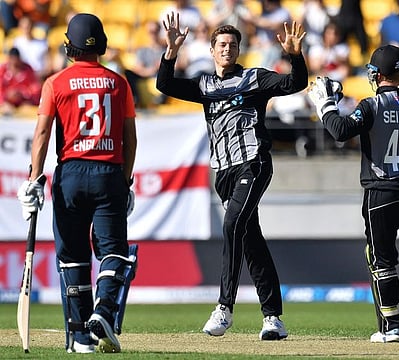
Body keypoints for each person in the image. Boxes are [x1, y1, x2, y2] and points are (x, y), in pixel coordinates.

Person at [156, 12, 307, 340]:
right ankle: (273, 318)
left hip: (252, 164)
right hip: (223, 172)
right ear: (212, 50)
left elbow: (294, 84)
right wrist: (170, 52)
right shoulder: (204, 85)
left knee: (232, 225)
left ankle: (224, 307)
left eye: (233, 44)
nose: (227, 49)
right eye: (222, 44)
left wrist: (295, 56)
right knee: (250, 241)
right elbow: (164, 85)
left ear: (239, 50)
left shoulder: (255, 79)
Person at [308, 44, 399, 343]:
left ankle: (392, 327)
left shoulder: (371, 105)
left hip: (380, 193)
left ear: (376, 75)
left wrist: (325, 104)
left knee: (382, 261)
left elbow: (339, 131)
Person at [16, 13, 137, 353]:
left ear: (69, 45)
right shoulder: (119, 83)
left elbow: (41, 133)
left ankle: (80, 336)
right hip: (109, 173)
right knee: (113, 251)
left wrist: (34, 178)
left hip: (69, 174)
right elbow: (130, 139)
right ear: (101, 45)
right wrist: (125, 181)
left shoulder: (55, 82)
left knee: (73, 257)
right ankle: (104, 311)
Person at [0, 46, 42, 115]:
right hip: (6, 104)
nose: (14, 63)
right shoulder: (3, 70)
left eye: (16, 59)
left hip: (24, 103)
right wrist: (6, 97)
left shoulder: (28, 69)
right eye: (12, 59)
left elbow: (35, 88)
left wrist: (22, 94)